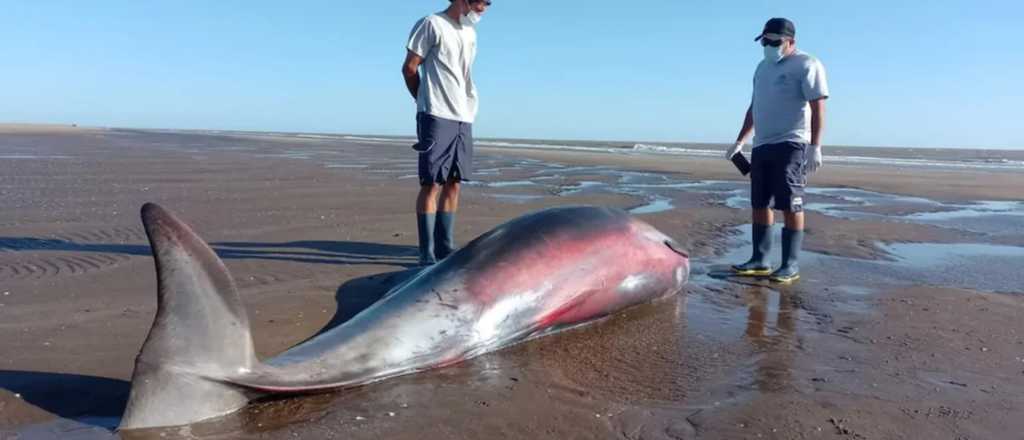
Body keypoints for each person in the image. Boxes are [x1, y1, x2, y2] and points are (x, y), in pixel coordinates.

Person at [727, 17, 829, 284]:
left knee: (790, 203)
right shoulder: (762, 67)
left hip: (791, 143)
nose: (768, 45)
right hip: (762, 144)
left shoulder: (807, 64)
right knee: (759, 202)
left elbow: (818, 106)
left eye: (774, 41)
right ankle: (760, 260)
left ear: (791, 42)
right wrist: (740, 141)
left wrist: (815, 146)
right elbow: (754, 106)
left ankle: (790, 264)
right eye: (764, 41)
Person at [402, 0, 491, 266]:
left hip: (463, 116)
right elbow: (409, 68)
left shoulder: (470, 33)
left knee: (454, 182)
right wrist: (424, 101)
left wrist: (467, 108)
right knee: (432, 183)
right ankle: (426, 254)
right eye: (481, 2)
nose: (484, 8)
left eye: (488, 3)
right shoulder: (432, 24)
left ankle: (445, 248)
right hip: (436, 114)